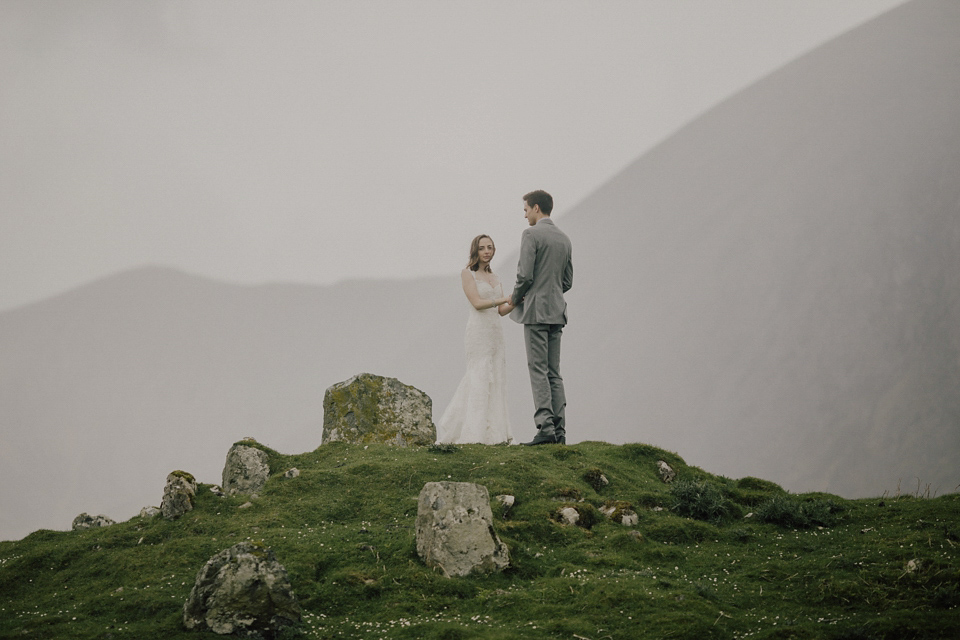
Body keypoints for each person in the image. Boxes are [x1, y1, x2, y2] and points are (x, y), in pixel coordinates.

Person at [435, 234, 516, 444]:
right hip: (478, 332)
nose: (487, 251)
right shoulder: (467, 274)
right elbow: (477, 303)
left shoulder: (496, 277)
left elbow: (501, 310)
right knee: (479, 375)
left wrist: (516, 301)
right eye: (482, 248)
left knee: (496, 376)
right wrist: (503, 298)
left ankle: (495, 434)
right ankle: (473, 433)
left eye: (490, 247)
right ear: (475, 251)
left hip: (496, 333)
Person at [509, 190, 573, 445]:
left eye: (525, 210)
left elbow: (524, 276)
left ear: (536, 208)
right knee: (553, 372)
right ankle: (560, 432)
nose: (525, 216)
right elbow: (567, 281)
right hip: (557, 311)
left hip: (536, 312)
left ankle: (545, 428)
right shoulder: (564, 239)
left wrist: (516, 299)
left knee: (537, 369)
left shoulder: (531, 235)